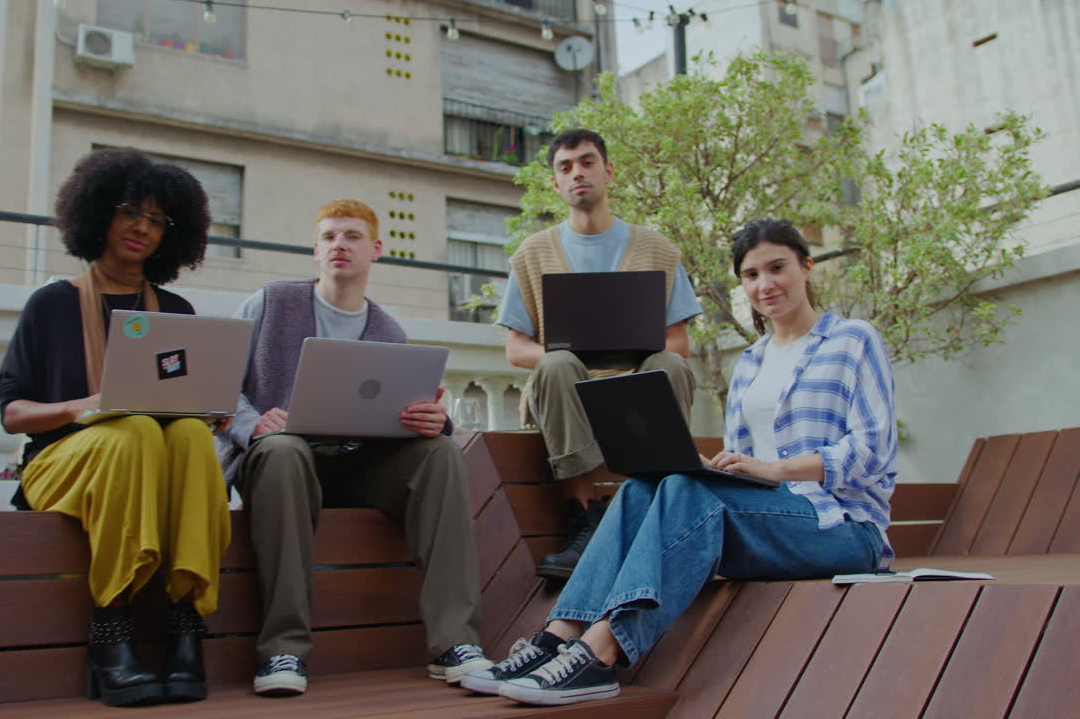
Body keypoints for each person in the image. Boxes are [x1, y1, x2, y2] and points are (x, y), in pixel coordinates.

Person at [464, 218, 896, 705]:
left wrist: (778, 469)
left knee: (686, 493)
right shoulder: (751, 362)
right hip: (766, 520)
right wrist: (714, 466)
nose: (765, 284)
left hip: (842, 527)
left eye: (777, 268)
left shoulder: (852, 340)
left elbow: (874, 450)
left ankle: (601, 653)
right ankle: (558, 635)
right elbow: (742, 460)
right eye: (751, 275)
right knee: (643, 487)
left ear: (807, 267)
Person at [216, 199, 490, 697]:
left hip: (357, 466)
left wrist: (434, 421)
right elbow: (216, 384)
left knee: (444, 453)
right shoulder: (271, 302)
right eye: (330, 237)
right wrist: (254, 424)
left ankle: (455, 642)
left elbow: (401, 413)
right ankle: (283, 648)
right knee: (283, 450)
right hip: (281, 464)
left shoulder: (390, 331)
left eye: (352, 236)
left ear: (376, 249)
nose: (339, 244)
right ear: (316, 249)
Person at [0, 148, 232, 707]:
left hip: (152, 457)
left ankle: (184, 624)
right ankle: (111, 629)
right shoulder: (50, 305)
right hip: (63, 464)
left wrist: (207, 407)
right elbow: (12, 414)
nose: (142, 228)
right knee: (135, 432)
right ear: (99, 212)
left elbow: (181, 405)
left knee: (191, 436)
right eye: (131, 211)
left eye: (157, 220)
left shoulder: (173, 308)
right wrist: (83, 406)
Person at [497, 128, 703, 579]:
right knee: (555, 362)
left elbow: (680, 340)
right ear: (555, 183)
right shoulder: (532, 254)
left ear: (608, 171)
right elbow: (516, 348)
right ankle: (583, 518)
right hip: (566, 388)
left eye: (587, 162)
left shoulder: (658, 249)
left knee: (672, 363)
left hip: (638, 385)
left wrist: (632, 357)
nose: (578, 173)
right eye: (565, 167)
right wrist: (572, 352)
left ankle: (649, 512)